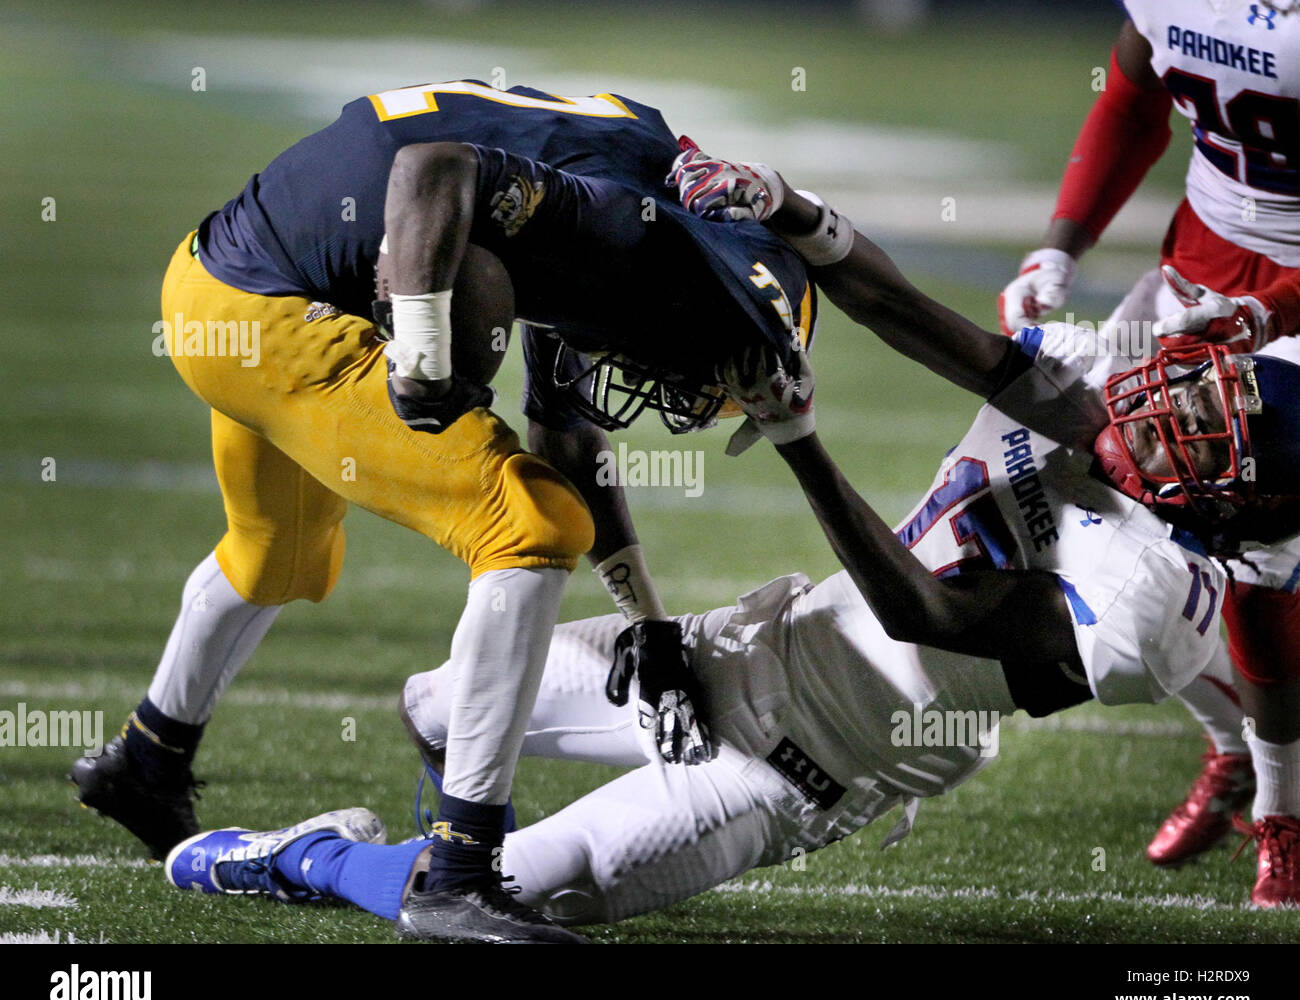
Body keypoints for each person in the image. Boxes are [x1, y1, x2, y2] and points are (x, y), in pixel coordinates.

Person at [163, 191, 1300, 933]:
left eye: (1206, 434)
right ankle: (428, 849)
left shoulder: (1159, 601)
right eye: (1205, 395)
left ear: (1228, 503)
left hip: (798, 766)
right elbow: (894, 306)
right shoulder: (1093, 391)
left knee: (496, 911)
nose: (1175, 407)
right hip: (749, 644)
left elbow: (926, 615)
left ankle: (311, 859)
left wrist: (802, 440)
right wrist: (795, 214)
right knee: (441, 706)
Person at [71, 80, 816, 942]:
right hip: (272, 305)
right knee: (532, 526)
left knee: (281, 555)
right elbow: (430, 169)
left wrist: (645, 624)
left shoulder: (643, 191)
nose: (671, 391)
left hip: (233, 270)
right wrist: (421, 351)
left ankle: (147, 759)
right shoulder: (625, 235)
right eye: (696, 378)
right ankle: (458, 874)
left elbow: (566, 431)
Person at [996, 2, 1300, 901]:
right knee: (1061, 484)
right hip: (1195, 272)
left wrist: (1271, 313)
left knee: (1254, 550)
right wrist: (1060, 246)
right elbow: (1134, 100)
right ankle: (1231, 744)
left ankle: (1283, 814)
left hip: (1291, 305)